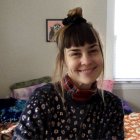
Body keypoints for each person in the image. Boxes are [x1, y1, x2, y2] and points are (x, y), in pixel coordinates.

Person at [13, 7, 124, 140]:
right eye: (76, 53)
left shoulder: (112, 105)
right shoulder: (43, 99)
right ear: (63, 60)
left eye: (93, 50)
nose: (86, 61)